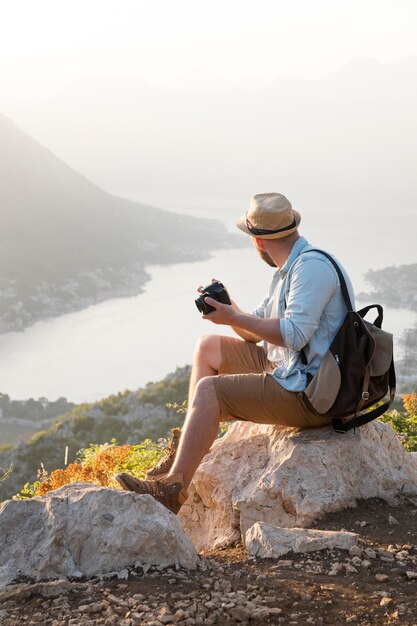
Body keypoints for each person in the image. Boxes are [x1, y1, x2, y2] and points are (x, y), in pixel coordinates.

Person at [115, 192, 355, 514]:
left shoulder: (310, 269)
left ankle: (172, 490)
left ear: (257, 241)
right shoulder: (289, 269)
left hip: (312, 391)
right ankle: (182, 452)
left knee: (209, 391)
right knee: (207, 346)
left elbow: (295, 335)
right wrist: (228, 309)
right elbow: (251, 330)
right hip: (290, 367)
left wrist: (234, 317)